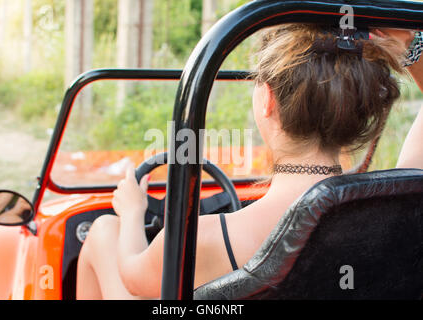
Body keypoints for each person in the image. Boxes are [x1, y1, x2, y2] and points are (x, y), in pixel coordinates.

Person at [76, 24, 423, 300]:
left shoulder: (205, 238)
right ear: (360, 110)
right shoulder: (398, 206)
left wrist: (134, 211)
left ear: (267, 100)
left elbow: (133, 277)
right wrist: (410, 40)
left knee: (105, 231)